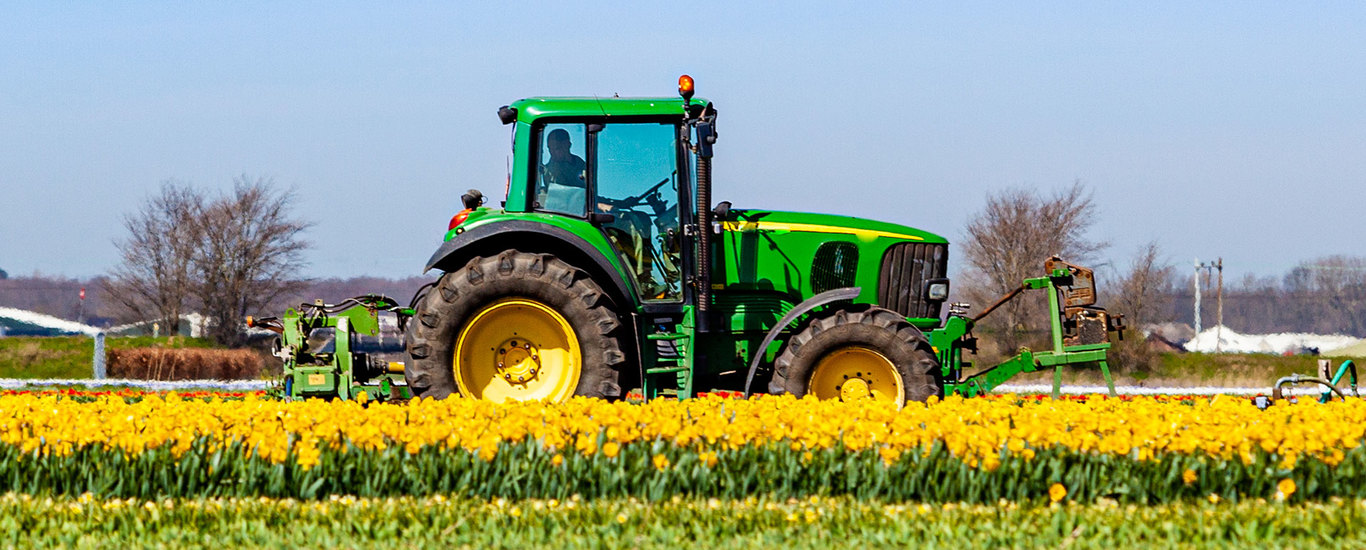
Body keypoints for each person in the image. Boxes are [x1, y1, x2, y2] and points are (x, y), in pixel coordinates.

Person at [538, 128, 587, 213]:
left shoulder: (580, 164)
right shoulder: (549, 171)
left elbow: (589, 190)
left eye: (557, 148)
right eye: (550, 149)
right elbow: (562, 196)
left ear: (568, 144)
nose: (553, 153)